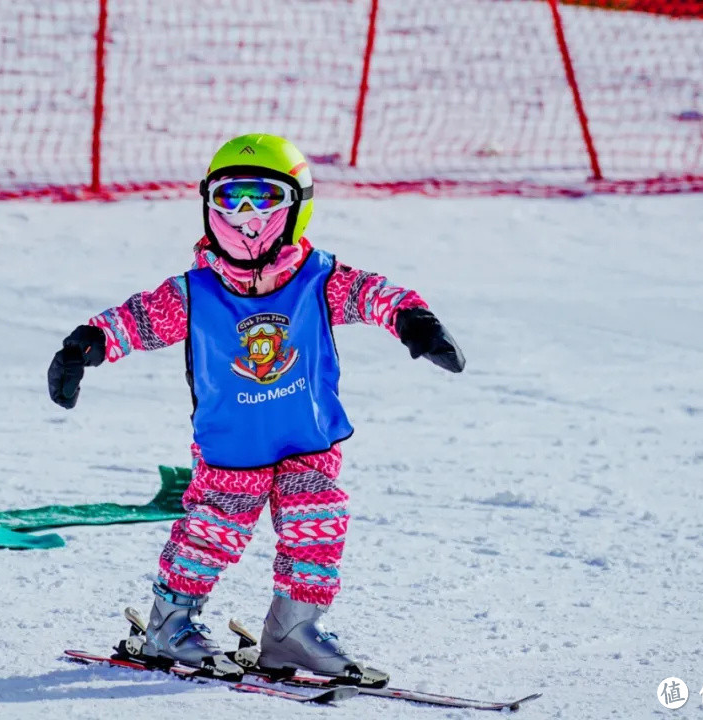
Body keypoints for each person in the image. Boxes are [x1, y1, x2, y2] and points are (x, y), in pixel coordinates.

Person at [48, 134, 464, 683]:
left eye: (262, 197)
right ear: (208, 203)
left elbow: (376, 293)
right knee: (213, 529)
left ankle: (292, 630)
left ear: (296, 204)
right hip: (231, 445)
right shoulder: (193, 293)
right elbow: (136, 320)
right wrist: (85, 347)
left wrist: (415, 322)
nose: (246, 214)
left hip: (307, 439)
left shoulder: (321, 279)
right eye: (231, 197)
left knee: (318, 526)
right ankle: (170, 622)